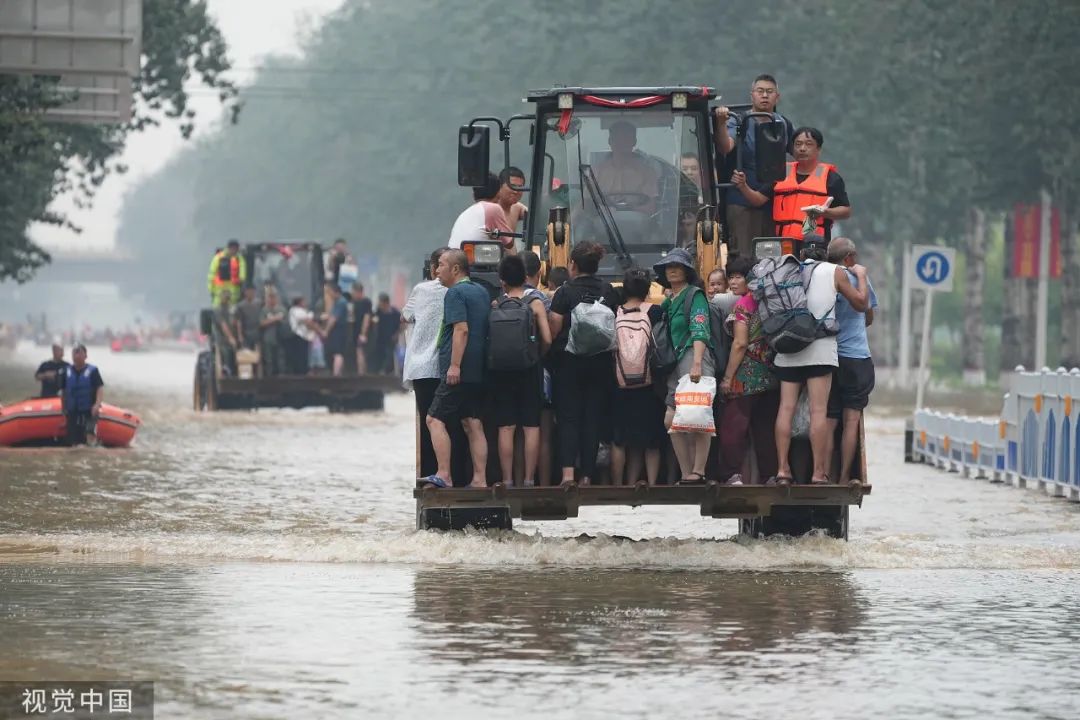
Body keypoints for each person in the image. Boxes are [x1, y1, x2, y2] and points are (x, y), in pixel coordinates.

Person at [770, 236, 869, 486]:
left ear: (802, 253)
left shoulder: (787, 269)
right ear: (825, 253)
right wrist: (863, 277)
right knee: (818, 412)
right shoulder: (834, 271)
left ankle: (783, 470)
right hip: (820, 349)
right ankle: (818, 474)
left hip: (788, 348)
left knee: (786, 409)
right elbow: (860, 304)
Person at [549, 241, 620, 486]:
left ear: (573, 265)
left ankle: (568, 474)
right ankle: (587, 476)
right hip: (600, 362)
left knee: (569, 418)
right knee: (592, 418)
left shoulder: (564, 292)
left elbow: (555, 327)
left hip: (570, 362)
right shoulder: (609, 291)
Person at [420, 249, 491, 489]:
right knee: (473, 423)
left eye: (440, 265)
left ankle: (444, 474)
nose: (436, 270)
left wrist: (454, 365)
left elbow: (461, 329)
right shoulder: (481, 292)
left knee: (434, 419)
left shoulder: (455, 293)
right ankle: (480, 479)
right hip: (478, 370)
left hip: (459, 371)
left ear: (456, 269)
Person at [714, 74, 796, 258]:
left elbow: (798, 152)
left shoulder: (782, 123)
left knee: (771, 255)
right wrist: (720, 123)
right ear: (752, 95)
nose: (764, 96)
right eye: (760, 91)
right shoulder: (739, 120)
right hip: (740, 200)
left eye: (769, 92)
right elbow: (725, 146)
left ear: (777, 96)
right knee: (744, 254)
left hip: (773, 200)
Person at [716, 255, 780, 485]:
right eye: (730, 277)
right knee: (765, 429)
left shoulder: (743, 304)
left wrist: (727, 378)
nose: (732, 282)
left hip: (746, 376)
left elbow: (740, 343)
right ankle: (769, 475)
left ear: (750, 278)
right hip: (772, 374)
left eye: (738, 277)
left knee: (733, 426)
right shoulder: (768, 301)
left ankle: (732, 474)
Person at [653, 248, 715, 484]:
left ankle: (698, 472)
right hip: (676, 362)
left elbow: (700, 329)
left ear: (687, 271)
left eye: (677, 266)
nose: (672, 270)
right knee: (672, 419)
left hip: (693, 356)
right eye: (669, 267)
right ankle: (687, 472)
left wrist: (697, 364)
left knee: (699, 415)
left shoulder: (695, 295)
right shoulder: (670, 301)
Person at [491, 254, 552, 487]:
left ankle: (506, 479)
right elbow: (546, 337)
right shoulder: (535, 303)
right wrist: (537, 354)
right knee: (531, 426)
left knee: (506, 427)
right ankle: (528, 479)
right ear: (525, 278)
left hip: (502, 371)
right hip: (530, 369)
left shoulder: (497, 305)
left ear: (502, 281)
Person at [731, 127, 851, 243]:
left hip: (814, 243)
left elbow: (846, 211)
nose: (802, 149)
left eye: (808, 144)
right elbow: (758, 200)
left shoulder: (830, 177)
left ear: (818, 149)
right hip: (782, 243)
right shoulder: (782, 172)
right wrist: (743, 185)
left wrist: (825, 212)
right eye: (798, 144)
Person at [826, 236, 879, 485]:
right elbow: (867, 314)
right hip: (856, 359)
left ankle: (822, 475)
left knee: (828, 419)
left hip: (829, 358)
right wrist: (862, 277)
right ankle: (845, 476)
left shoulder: (824, 278)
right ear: (849, 257)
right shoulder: (858, 279)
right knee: (851, 421)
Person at [610, 267, 668, 486]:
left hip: (620, 383)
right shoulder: (655, 312)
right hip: (649, 384)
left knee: (621, 440)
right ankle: (652, 485)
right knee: (651, 440)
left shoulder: (615, 311)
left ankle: (620, 485)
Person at [403, 248, 450, 478]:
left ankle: (431, 474)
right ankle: (451, 473)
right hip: (447, 367)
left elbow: (406, 315)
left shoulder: (421, 290)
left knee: (427, 421)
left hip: (422, 367)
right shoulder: (459, 291)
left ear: (432, 269)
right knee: (447, 421)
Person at [522, 250, 556, 485]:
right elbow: (548, 337)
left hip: (509, 372)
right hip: (539, 373)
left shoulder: (500, 299)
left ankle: (514, 480)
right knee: (542, 432)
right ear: (540, 271)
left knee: (512, 431)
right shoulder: (541, 300)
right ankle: (540, 483)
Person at [594, 121, 659, 211]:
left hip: (637, 222)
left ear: (634, 141)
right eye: (617, 139)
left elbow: (651, 207)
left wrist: (629, 209)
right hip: (604, 220)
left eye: (626, 139)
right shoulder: (596, 172)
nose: (621, 143)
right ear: (610, 141)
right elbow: (587, 204)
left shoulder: (647, 173)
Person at [448, 173, 516, 254]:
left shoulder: (467, 212)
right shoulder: (493, 208)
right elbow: (509, 243)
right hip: (472, 263)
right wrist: (515, 212)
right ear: (498, 192)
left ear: (473, 194)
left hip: (453, 258)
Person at [59, 344, 104, 446]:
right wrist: (63, 409)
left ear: (85, 356)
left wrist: (97, 404)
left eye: (79, 352)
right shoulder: (66, 371)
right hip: (72, 411)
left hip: (89, 410)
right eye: (75, 353)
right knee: (74, 441)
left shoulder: (93, 371)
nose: (77, 355)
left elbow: (99, 388)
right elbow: (63, 392)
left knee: (89, 436)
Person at [207, 239, 247, 307]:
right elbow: (211, 275)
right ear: (228, 248)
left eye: (236, 248)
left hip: (233, 294)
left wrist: (241, 279)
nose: (234, 250)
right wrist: (211, 290)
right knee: (218, 310)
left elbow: (242, 274)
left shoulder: (239, 259)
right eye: (233, 248)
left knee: (232, 311)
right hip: (219, 292)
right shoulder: (218, 258)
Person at [322, 281, 349, 376]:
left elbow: (334, 318)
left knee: (338, 353)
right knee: (334, 353)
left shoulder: (341, 302)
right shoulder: (336, 302)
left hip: (339, 330)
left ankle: (336, 375)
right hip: (336, 330)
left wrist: (326, 331)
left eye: (329, 292)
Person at [286, 296, 318, 375]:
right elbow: (307, 321)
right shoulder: (295, 310)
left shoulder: (304, 311)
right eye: (304, 301)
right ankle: (300, 373)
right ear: (299, 303)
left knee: (305, 356)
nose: (306, 303)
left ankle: (305, 371)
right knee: (300, 356)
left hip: (305, 337)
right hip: (298, 336)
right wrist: (320, 330)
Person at [371, 293, 401, 376]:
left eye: (381, 303)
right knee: (379, 354)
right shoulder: (378, 312)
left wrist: (396, 334)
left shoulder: (395, 313)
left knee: (389, 355)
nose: (380, 305)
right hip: (380, 338)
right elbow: (373, 321)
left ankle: (386, 371)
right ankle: (378, 371)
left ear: (386, 303)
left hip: (391, 338)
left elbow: (401, 325)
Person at [259, 288, 286, 376]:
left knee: (280, 360)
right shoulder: (264, 310)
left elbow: (286, 321)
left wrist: (277, 319)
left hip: (280, 338)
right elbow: (262, 323)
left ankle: (281, 379)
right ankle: (269, 379)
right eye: (270, 297)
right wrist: (274, 319)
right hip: (268, 339)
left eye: (273, 297)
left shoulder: (282, 309)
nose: (272, 299)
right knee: (269, 360)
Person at [497, 166, 529, 237]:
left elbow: (536, 217)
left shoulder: (518, 207)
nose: (516, 191)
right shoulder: (490, 210)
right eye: (512, 186)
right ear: (499, 186)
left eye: (520, 187)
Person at [213, 288, 239, 376]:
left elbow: (237, 322)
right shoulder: (218, 310)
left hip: (235, 339)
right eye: (224, 297)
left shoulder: (232, 309)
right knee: (226, 352)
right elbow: (223, 326)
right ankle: (227, 370)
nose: (226, 298)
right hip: (223, 340)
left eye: (227, 297)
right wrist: (231, 338)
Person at [352, 282, 373, 375]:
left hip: (363, 332)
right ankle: (362, 373)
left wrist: (363, 333)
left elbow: (366, 317)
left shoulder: (366, 302)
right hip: (357, 331)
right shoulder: (355, 303)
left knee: (360, 352)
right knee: (359, 352)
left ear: (358, 291)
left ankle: (362, 374)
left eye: (353, 292)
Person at [234, 286, 262, 351]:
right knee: (247, 355)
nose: (250, 293)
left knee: (259, 355)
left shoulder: (259, 303)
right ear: (245, 293)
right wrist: (240, 335)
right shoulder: (240, 306)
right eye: (248, 291)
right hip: (246, 333)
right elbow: (239, 321)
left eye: (252, 291)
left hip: (258, 333)